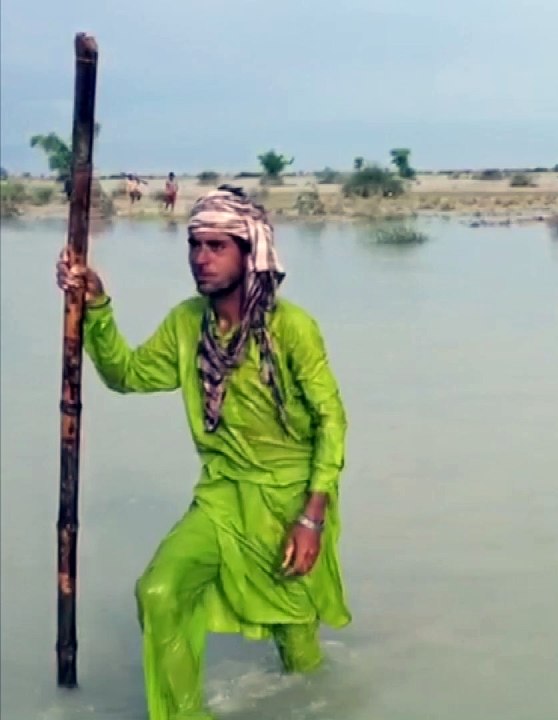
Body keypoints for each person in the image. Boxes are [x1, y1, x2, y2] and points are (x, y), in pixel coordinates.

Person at [54, 185, 351, 720]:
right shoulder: (188, 324)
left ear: (248, 253)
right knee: (159, 591)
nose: (200, 258)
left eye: (216, 246)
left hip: (288, 503)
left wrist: (312, 517)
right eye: (195, 244)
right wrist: (96, 307)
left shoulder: (292, 329)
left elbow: (332, 420)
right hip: (219, 498)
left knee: (297, 645)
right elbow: (129, 375)